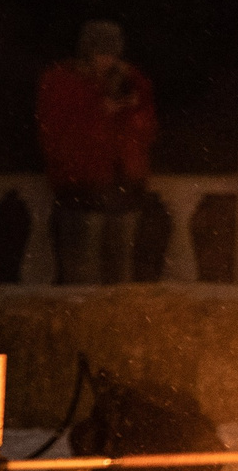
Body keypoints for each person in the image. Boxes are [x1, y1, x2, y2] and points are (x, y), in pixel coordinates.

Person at [35, 21, 158, 284]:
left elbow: (147, 128)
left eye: (112, 53)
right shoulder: (62, 82)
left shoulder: (130, 79)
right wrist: (102, 114)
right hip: (81, 189)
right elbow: (57, 133)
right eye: (101, 52)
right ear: (87, 52)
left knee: (121, 269)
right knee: (80, 270)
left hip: (124, 187)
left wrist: (130, 109)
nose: (107, 60)